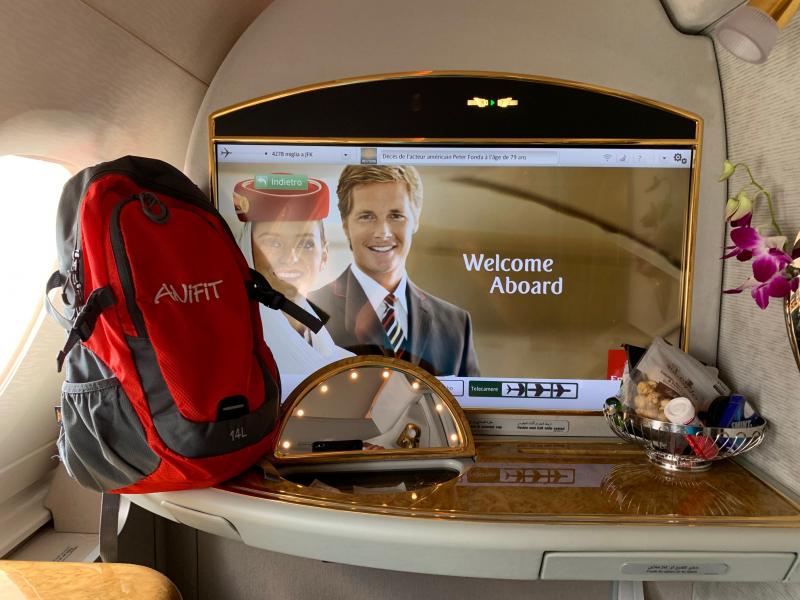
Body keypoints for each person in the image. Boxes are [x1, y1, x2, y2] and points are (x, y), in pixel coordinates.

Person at [309, 165, 479, 377]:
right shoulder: (309, 312)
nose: (383, 233)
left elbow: (470, 399)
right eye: (366, 216)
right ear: (345, 225)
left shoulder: (456, 324)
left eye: (396, 215)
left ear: (415, 220)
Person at [233, 176, 353, 379]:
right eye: (274, 243)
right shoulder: (237, 354)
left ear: (324, 256)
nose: (291, 257)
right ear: (246, 251)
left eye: (306, 244)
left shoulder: (345, 363)